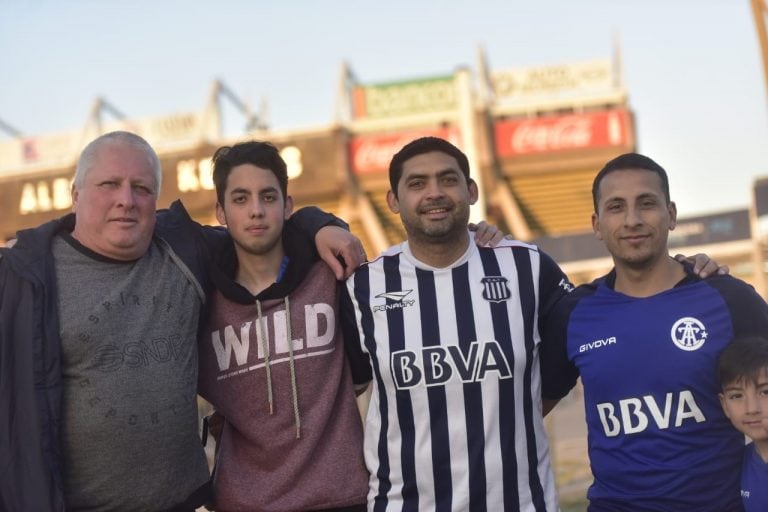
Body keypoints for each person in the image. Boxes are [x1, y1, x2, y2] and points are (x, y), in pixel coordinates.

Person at [0, 131, 367, 511]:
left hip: (181, 503)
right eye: (109, 184)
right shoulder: (27, 278)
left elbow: (259, 230)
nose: (126, 200)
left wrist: (321, 223)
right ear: (75, 194)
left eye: (141, 187)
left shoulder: (184, 250)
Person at [342, 136, 577, 511]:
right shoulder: (363, 287)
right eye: (417, 184)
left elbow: (572, 358)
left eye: (448, 180)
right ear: (392, 200)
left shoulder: (527, 268)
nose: (434, 193)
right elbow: (339, 393)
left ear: (471, 191)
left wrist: (690, 271)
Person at [540, 153, 768, 511]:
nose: (632, 219)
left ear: (671, 214)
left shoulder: (729, 298)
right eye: (616, 207)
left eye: (646, 203)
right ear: (597, 224)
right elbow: (523, 411)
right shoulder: (575, 313)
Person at [197, 141, 370, 511]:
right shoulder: (200, 302)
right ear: (220, 212)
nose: (256, 211)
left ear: (288, 206)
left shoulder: (331, 274)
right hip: (244, 503)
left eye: (269, 197)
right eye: (240, 199)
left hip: (341, 497)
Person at [718, 336, 768, 512]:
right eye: (737, 396)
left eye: (765, 392)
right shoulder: (739, 462)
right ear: (724, 405)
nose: (752, 408)